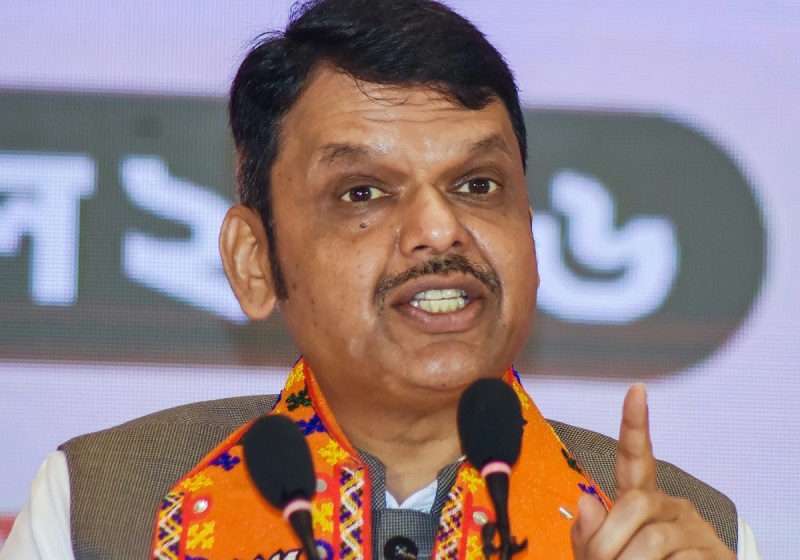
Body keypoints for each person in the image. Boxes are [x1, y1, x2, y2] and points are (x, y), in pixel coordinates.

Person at [1, 0, 762, 559]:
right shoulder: (101, 507)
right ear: (255, 261)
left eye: (478, 185)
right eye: (362, 192)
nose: (439, 228)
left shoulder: (685, 533)